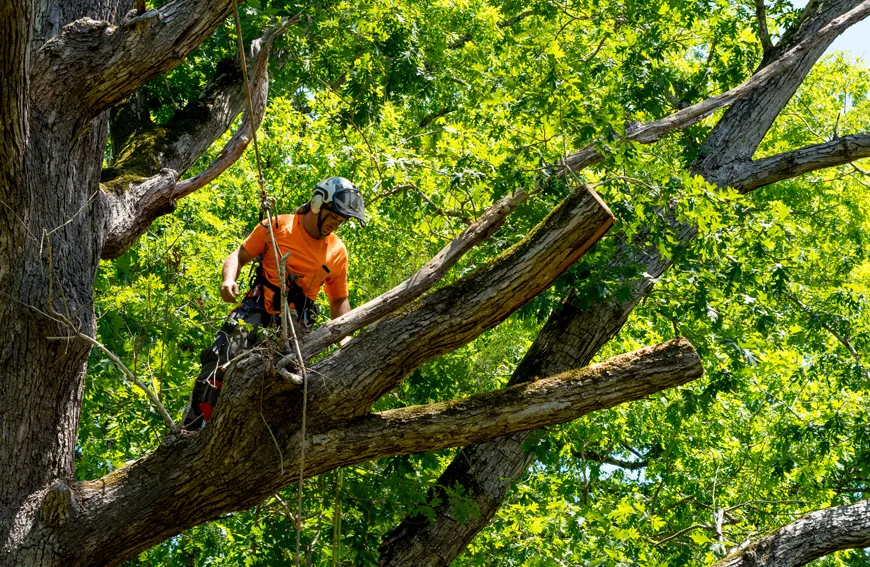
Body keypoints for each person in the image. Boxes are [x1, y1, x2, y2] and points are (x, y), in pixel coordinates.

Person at [181, 177, 366, 430]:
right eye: (334, 215)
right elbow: (239, 255)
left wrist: (345, 338)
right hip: (256, 309)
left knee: (281, 386)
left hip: (296, 325)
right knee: (218, 362)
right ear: (317, 203)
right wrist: (228, 280)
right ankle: (193, 429)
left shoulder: (337, 251)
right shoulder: (279, 225)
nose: (336, 223)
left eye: (342, 220)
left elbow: (338, 300)